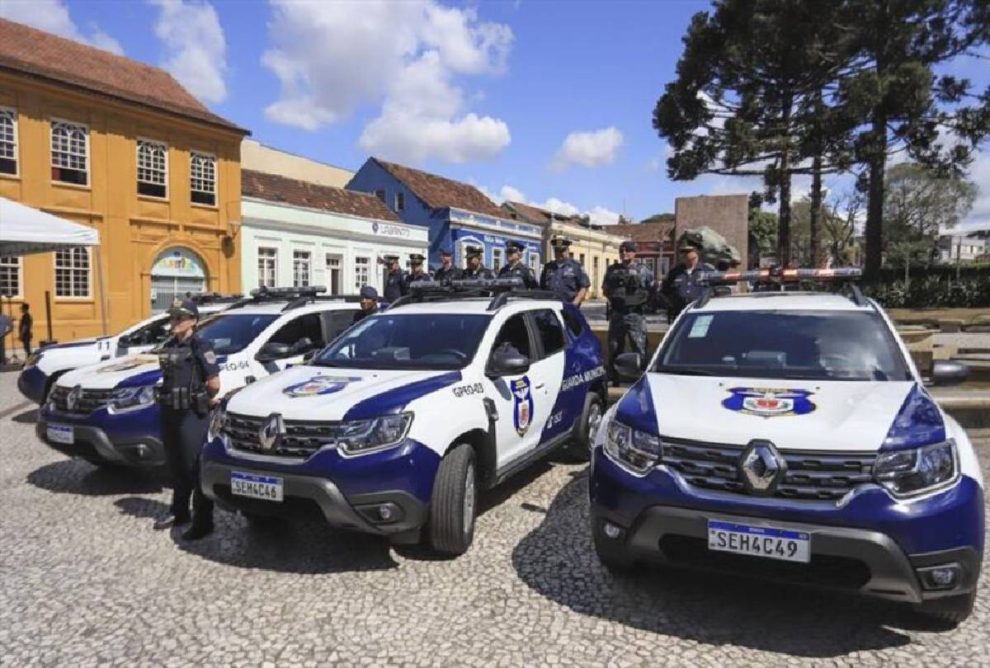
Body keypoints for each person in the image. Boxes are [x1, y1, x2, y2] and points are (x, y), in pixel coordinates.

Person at [153, 298, 221, 540]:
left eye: (180, 318)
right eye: (172, 317)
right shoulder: (170, 344)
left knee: (195, 468)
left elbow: (214, 384)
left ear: (193, 320)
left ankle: (204, 521)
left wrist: (201, 398)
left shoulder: (201, 346)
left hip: (192, 414)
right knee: (176, 464)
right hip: (170, 411)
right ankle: (180, 512)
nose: (174, 322)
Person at [602, 240, 654, 384]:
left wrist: (640, 300)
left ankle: (643, 378)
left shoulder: (643, 269)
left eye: (627, 250)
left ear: (634, 253)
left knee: (639, 347)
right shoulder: (612, 270)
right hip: (618, 313)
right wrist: (617, 299)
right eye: (621, 251)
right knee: (614, 347)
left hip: (635, 314)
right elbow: (605, 289)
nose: (624, 253)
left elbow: (651, 289)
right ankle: (614, 378)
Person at [660, 238, 715, 322]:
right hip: (680, 315)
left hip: (701, 314)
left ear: (697, 252)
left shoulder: (708, 271)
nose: (685, 254)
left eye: (688, 251)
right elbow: (664, 291)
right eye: (683, 252)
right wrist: (673, 305)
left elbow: (716, 291)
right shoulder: (675, 272)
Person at [540, 237, 590, 306]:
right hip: (551, 307)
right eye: (557, 251)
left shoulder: (575, 266)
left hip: (569, 306)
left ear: (567, 250)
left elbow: (584, 287)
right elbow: (542, 288)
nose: (559, 253)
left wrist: (575, 303)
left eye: (562, 251)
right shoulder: (548, 267)